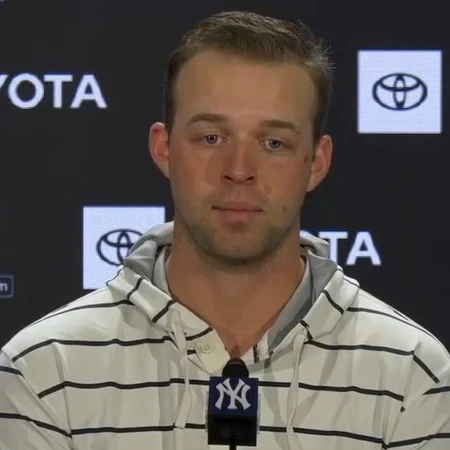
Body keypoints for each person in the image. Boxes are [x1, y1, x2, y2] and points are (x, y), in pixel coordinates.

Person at [1, 9, 449, 450]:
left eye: (273, 143)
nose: (238, 170)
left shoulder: (413, 375)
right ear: (164, 148)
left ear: (316, 162)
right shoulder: (45, 370)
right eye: (211, 138)